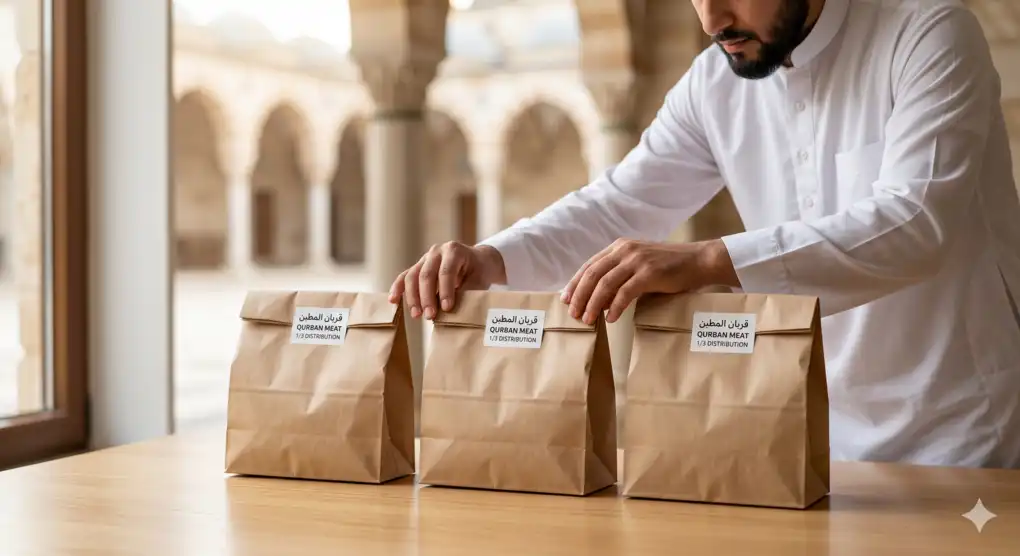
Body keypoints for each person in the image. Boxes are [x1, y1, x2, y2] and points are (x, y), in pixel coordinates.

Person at [390, 0, 1020, 469]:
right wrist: (493, 257)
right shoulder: (713, 82)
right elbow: (619, 204)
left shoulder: (928, 32)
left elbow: (916, 222)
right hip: (819, 441)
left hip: (964, 435)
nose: (712, 18)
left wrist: (709, 260)